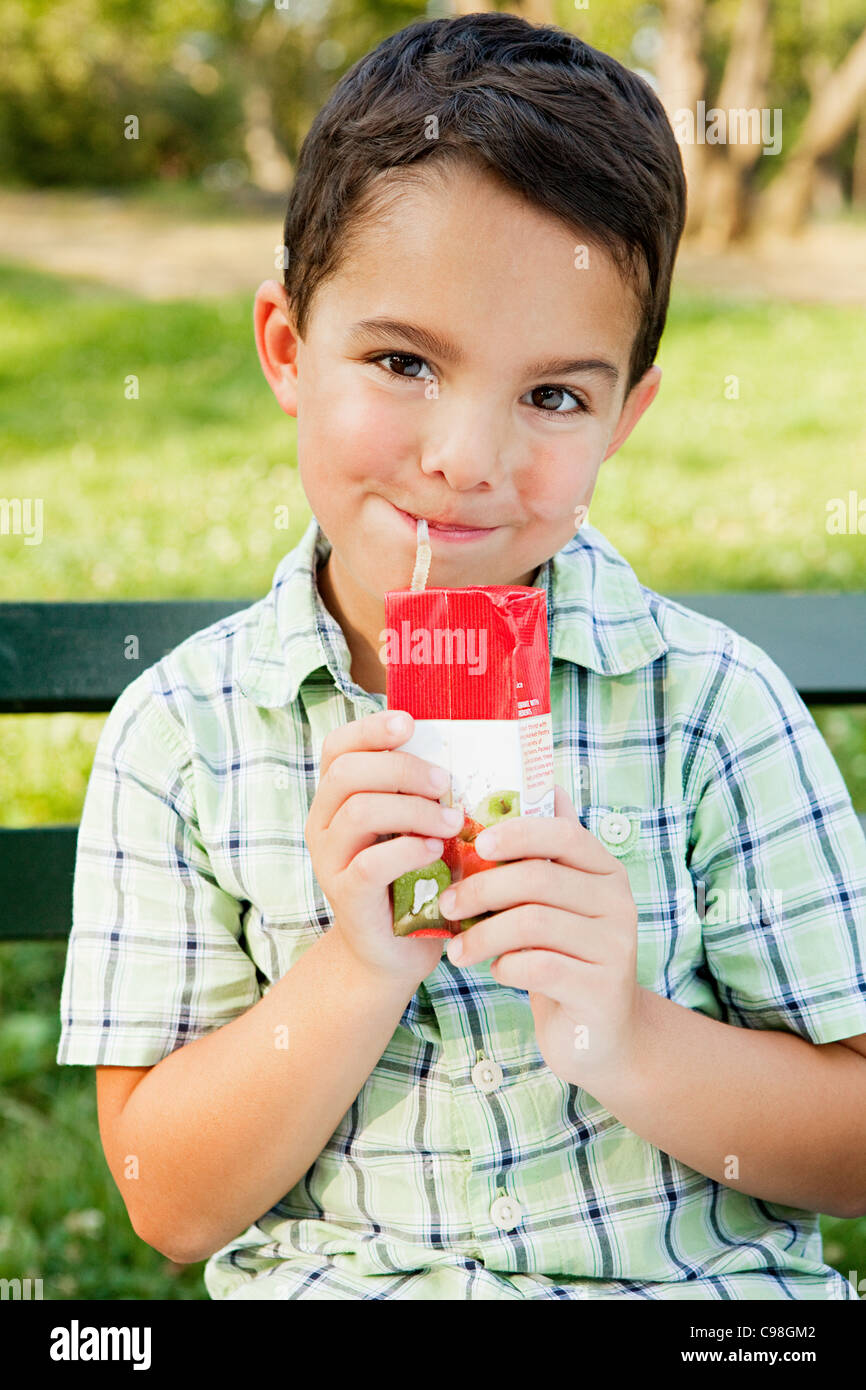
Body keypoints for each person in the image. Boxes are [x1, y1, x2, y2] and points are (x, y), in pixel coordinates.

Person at [57, 12, 866, 1300]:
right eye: (402, 361)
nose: (466, 460)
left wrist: (629, 1033)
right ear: (286, 347)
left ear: (624, 417)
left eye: (553, 395)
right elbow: (168, 1206)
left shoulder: (714, 711)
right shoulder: (184, 734)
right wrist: (357, 965)